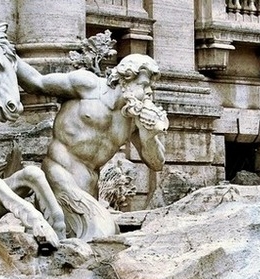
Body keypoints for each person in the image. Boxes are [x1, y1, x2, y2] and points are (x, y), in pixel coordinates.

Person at [16, 53, 169, 240]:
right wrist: (7, 55)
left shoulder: (132, 120)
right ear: (124, 80)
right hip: (58, 175)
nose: (149, 92)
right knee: (102, 234)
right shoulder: (88, 86)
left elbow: (157, 163)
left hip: (90, 190)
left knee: (80, 242)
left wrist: (150, 135)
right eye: (143, 85)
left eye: (150, 87)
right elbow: (36, 82)